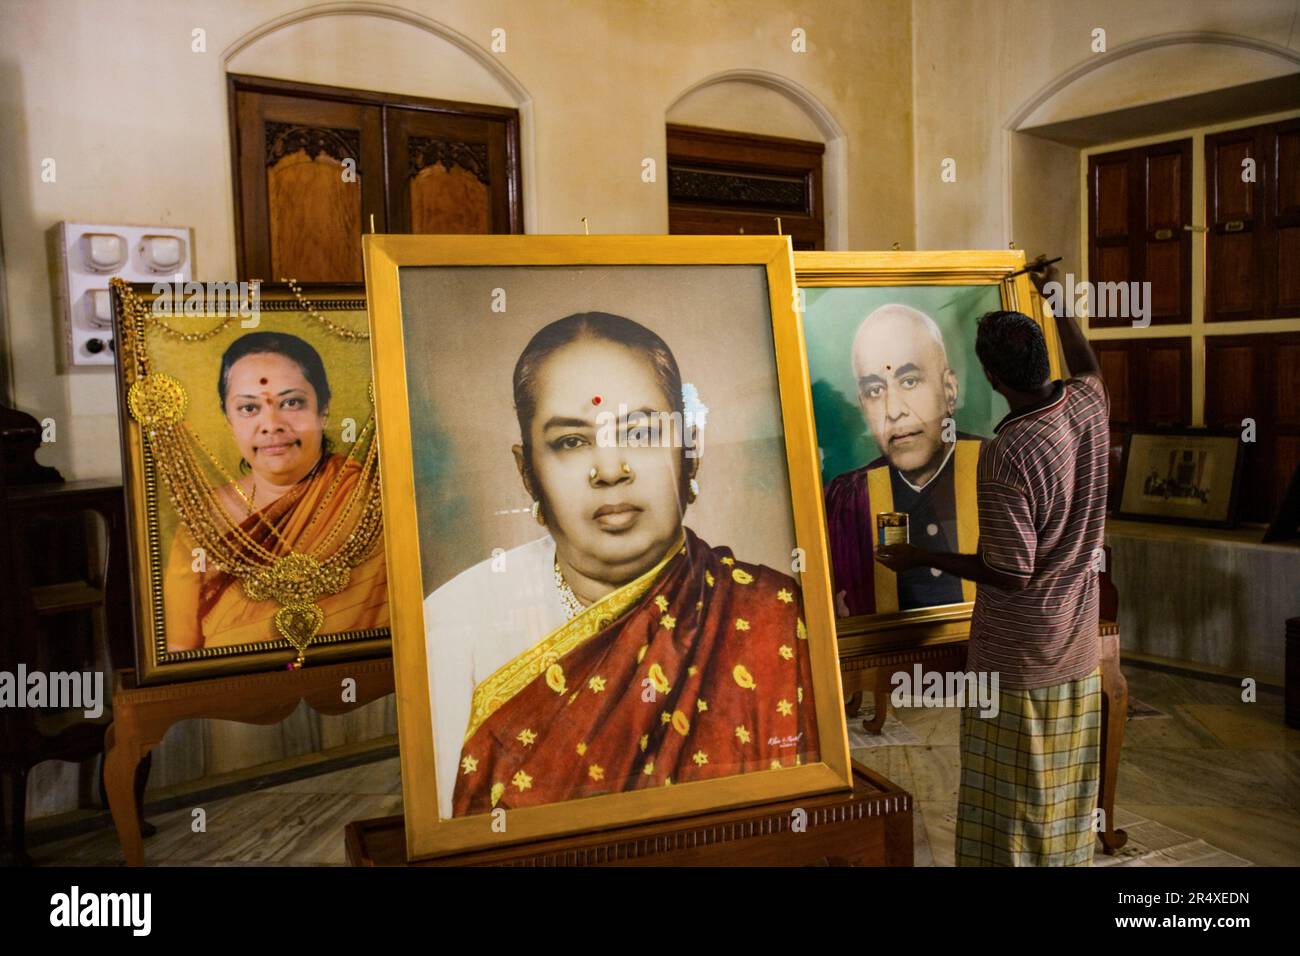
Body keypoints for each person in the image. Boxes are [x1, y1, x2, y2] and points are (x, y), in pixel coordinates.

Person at [423, 312, 818, 820]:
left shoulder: (771, 614)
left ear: (689, 450)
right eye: (571, 441)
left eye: (640, 432)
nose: (610, 469)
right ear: (527, 472)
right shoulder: (456, 621)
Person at [876, 258, 1110, 866]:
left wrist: (916, 557)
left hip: (1020, 654)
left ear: (977, 378)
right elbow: (1087, 363)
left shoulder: (1010, 452)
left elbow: (1011, 572)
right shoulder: (1087, 403)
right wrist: (1055, 295)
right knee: (1059, 794)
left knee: (1011, 802)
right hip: (1076, 644)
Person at [163, 332, 388, 650]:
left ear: (323, 409)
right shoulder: (202, 520)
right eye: (248, 408)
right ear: (229, 419)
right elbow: (180, 649)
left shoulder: (371, 502)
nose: (271, 424)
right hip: (234, 691)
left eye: (291, 402)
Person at [823, 304, 983, 616]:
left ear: (949, 390)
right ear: (862, 407)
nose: (893, 410)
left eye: (909, 381)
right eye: (874, 390)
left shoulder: (995, 470)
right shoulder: (848, 499)